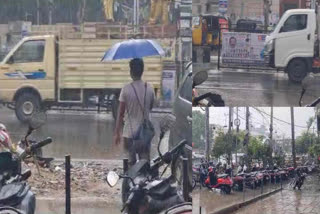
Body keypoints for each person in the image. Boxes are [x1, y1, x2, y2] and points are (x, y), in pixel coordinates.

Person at [113, 58, 155, 167]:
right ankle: (144, 182)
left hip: (129, 133)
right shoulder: (149, 88)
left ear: (131, 71)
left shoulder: (126, 89)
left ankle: (130, 183)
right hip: (144, 133)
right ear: (142, 71)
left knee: (130, 164)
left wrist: (117, 132)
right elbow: (150, 107)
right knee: (144, 163)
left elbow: (120, 113)